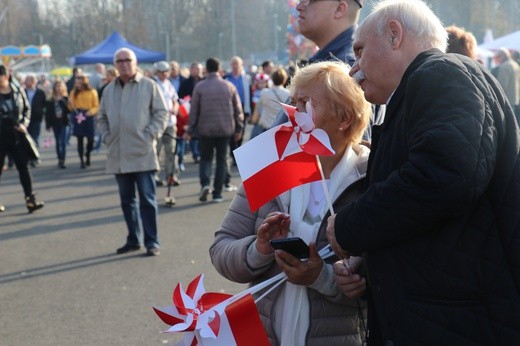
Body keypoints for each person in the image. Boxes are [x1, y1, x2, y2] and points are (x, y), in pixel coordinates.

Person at [325, 0, 520, 344]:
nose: (354, 70)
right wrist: (368, 264)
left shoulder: (442, 73)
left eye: (360, 52)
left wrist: (349, 227)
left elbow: (445, 175)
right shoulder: (419, 90)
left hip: (458, 322)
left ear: (395, 35)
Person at [210, 61, 371, 346]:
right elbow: (221, 247)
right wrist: (257, 251)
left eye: (305, 104)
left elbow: (381, 278)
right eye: (293, 102)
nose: (293, 115)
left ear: (344, 117)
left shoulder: (373, 179)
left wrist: (324, 277)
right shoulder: (270, 165)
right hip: (263, 336)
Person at [97, 47, 168, 256]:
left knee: (147, 199)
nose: (124, 64)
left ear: (135, 63)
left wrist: (149, 135)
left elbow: (162, 113)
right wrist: (106, 136)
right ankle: (133, 239)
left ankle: (152, 241)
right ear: (115, 65)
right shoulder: (109, 90)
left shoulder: (148, 86)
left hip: (142, 152)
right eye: (119, 61)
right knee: (127, 201)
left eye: (127, 60)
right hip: (118, 154)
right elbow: (101, 117)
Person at [184, 58, 244, 204]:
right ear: (219, 69)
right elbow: (238, 109)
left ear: (206, 69)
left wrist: (190, 129)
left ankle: (205, 184)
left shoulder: (199, 87)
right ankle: (217, 193)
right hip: (225, 129)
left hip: (205, 129)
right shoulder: (228, 86)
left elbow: (194, 111)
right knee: (222, 160)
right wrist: (239, 127)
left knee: (205, 158)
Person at [0, 64, 44, 213]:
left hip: (16, 134)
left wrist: (24, 124)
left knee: (23, 167)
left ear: (6, 76)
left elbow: (26, 109)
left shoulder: (18, 91)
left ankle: (30, 200)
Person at [152, 61, 180, 198]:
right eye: (161, 72)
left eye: (166, 71)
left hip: (170, 124)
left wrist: (175, 108)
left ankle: (171, 175)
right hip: (157, 123)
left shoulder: (169, 84)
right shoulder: (153, 84)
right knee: (156, 150)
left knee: (171, 150)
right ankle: (154, 175)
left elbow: (175, 100)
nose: (164, 74)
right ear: (156, 72)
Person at [249, 67, 290, 139]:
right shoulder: (288, 94)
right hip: (280, 129)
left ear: (272, 79)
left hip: (265, 128)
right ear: (284, 80)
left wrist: (253, 120)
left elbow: (257, 110)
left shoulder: (264, 92)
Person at [68, 75, 99, 169]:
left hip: (88, 115)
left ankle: (88, 153)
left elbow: (96, 105)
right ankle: (81, 160)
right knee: (79, 139)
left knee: (90, 139)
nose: (77, 85)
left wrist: (91, 112)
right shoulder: (73, 92)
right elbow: (70, 108)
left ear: (84, 83)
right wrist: (70, 104)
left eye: (79, 83)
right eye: (76, 83)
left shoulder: (92, 92)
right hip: (78, 115)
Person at [177, 62, 203, 166]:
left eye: (199, 69)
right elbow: (180, 96)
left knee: (202, 133)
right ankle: (195, 154)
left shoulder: (205, 81)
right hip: (189, 112)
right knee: (191, 132)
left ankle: (200, 153)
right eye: (195, 69)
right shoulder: (185, 82)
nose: (197, 71)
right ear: (191, 70)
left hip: (203, 112)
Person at [45, 80, 70, 169]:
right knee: (58, 142)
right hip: (55, 123)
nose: (59, 88)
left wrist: (63, 100)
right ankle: (59, 158)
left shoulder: (66, 98)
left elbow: (69, 111)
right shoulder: (50, 99)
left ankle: (63, 159)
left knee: (63, 142)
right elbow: (47, 113)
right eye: (57, 86)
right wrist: (48, 125)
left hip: (64, 122)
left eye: (60, 86)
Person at [24, 74, 47, 166]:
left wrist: (43, 113)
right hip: (25, 119)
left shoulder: (40, 92)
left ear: (33, 82)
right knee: (26, 138)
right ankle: (29, 157)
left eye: (28, 80)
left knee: (35, 138)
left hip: (36, 118)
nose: (26, 82)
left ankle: (35, 157)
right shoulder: (23, 91)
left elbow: (45, 105)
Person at [493, 47, 520, 120]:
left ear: (502, 56)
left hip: (506, 99)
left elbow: (502, 85)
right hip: (515, 98)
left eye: (497, 57)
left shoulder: (505, 66)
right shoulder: (515, 64)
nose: (496, 59)